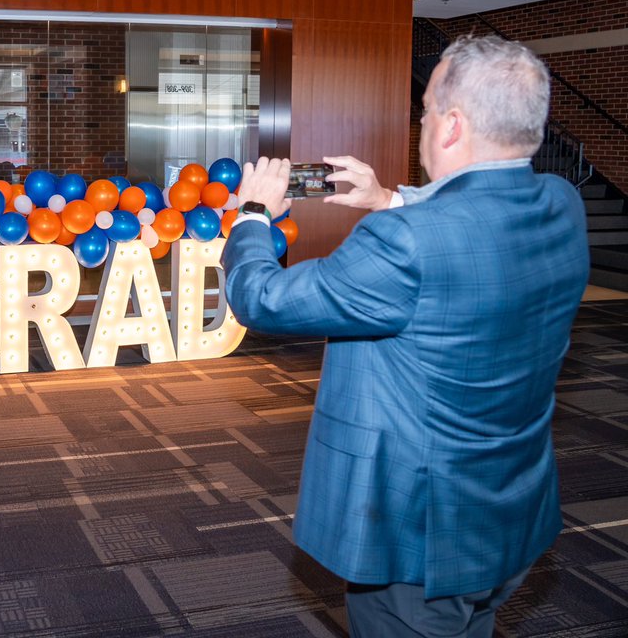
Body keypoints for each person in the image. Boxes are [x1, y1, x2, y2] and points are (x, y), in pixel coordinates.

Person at [221, 35, 589, 637]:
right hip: (510, 515)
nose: (419, 125)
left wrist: (254, 217)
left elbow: (261, 299)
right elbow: (469, 242)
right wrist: (388, 198)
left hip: (420, 540)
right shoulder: (562, 203)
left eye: (423, 113)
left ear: (450, 127)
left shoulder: (406, 244)